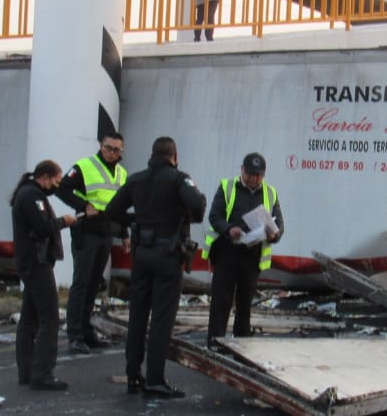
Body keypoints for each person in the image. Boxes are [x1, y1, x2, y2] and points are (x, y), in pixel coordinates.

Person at [102, 136, 206, 398]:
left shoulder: (136, 179)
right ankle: (155, 380)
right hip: (168, 255)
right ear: (174, 155)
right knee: (161, 319)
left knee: (137, 315)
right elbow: (197, 206)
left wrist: (137, 219)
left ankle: (132, 375)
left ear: (153, 154)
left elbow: (112, 211)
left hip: (142, 254)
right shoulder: (179, 178)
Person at [55, 131, 128, 354]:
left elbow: (120, 207)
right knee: (81, 283)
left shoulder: (121, 173)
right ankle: (75, 334)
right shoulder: (85, 166)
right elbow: (62, 189)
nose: (111, 153)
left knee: (94, 284)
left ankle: (87, 331)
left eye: (116, 150)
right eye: (108, 148)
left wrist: (124, 234)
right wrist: (83, 204)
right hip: (86, 232)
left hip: (106, 232)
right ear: (101, 145)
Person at [202, 152, 285, 342]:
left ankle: (242, 345)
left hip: (252, 256)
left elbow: (279, 223)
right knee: (221, 302)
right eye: (250, 174)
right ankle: (215, 344)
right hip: (228, 253)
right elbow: (215, 216)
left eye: (258, 175)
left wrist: (274, 234)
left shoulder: (270, 192)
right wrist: (230, 229)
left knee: (245, 304)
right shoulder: (227, 187)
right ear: (242, 170)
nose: (254, 179)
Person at [10, 159, 78, 390]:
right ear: (46, 178)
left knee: (30, 317)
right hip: (36, 262)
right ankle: (43, 373)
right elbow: (42, 227)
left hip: (32, 261)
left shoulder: (30, 194)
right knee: (50, 317)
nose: (57, 187)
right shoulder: (32, 196)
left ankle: (27, 370)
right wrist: (64, 222)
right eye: (56, 181)